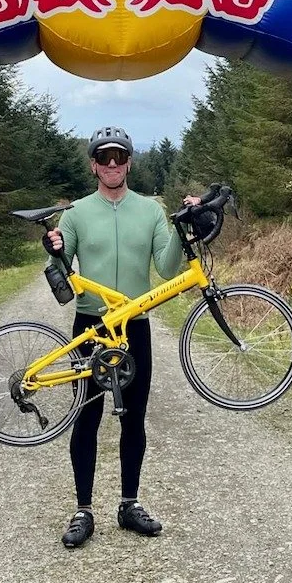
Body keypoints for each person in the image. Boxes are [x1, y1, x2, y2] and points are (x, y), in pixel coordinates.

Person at [44, 125, 198, 549]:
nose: (112, 164)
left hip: (135, 328)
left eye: (120, 157)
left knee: (134, 419)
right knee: (87, 419)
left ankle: (129, 504)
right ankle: (83, 510)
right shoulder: (76, 212)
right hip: (92, 326)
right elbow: (65, 274)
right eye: (104, 158)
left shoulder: (149, 211)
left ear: (129, 162)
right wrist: (53, 248)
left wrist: (183, 233)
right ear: (94, 164)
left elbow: (166, 270)